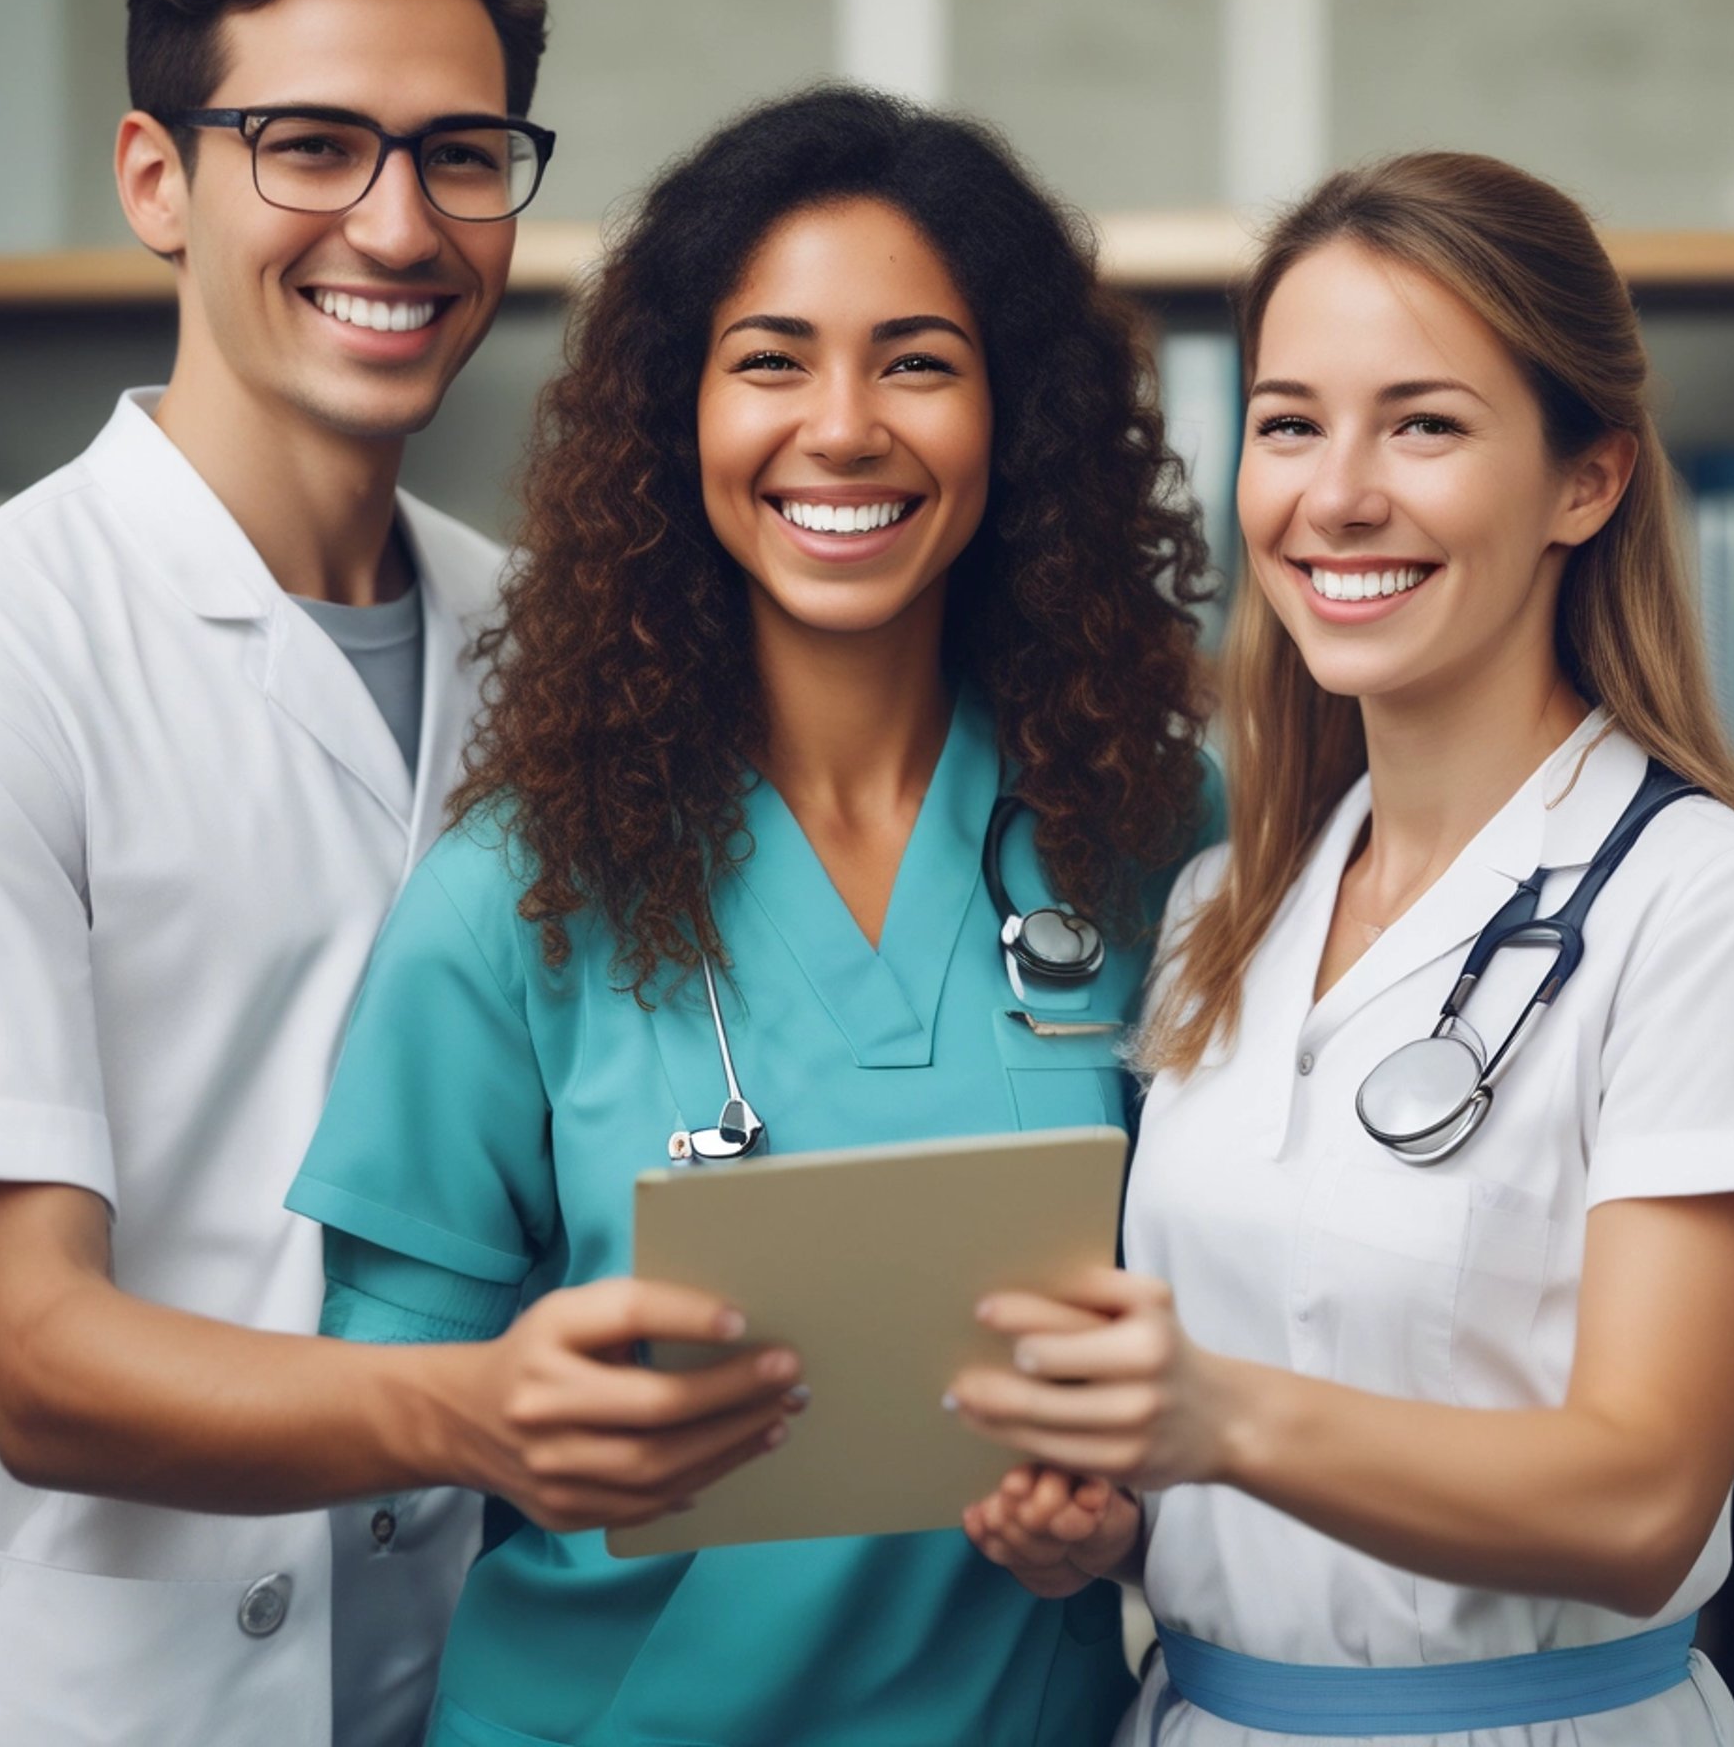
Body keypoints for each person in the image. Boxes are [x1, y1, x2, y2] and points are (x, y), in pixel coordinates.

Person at [0, 0, 799, 1747]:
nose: (401, 226)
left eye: (462, 155)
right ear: (157, 180)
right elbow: (32, 1357)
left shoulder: (555, 655)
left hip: (487, 1684)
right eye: (313, 145)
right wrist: (484, 1405)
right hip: (131, 1688)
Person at [284, 84, 1220, 1746]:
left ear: (1017, 420)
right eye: (771, 360)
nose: (844, 427)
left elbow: (1252, 1334)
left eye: (918, 360)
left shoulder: (1161, 840)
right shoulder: (524, 886)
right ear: (676, 418)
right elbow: (376, 1408)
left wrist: (1129, 1516)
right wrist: (509, 1411)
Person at [950, 150, 1734, 1745]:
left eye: (1424, 423)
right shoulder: (1221, 909)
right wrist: (1114, 1524)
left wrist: (1215, 1418)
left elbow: (1642, 1497)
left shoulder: (1715, 903)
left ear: (1587, 481)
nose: (1338, 493)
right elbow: (1235, 1446)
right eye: (1290, 421)